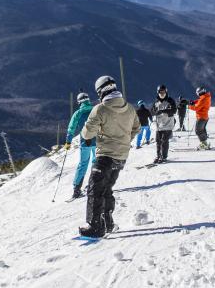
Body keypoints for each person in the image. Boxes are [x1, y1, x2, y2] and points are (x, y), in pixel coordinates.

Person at [78, 75, 140, 238]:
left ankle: (95, 226)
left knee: (95, 189)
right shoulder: (130, 108)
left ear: (100, 91)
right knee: (106, 188)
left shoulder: (100, 109)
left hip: (105, 155)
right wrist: (124, 140)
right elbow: (136, 128)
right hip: (121, 156)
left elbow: (87, 134)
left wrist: (88, 129)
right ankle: (108, 223)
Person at [65, 92, 96, 199]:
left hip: (85, 142)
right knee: (97, 163)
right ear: (88, 99)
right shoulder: (96, 110)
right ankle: (95, 184)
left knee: (83, 164)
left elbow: (71, 128)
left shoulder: (77, 113)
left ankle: (76, 189)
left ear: (79, 102)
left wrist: (68, 142)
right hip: (98, 142)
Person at [150, 84, 177, 163]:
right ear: (158, 92)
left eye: (163, 91)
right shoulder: (156, 101)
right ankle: (158, 155)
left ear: (166, 91)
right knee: (158, 141)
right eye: (160, 92)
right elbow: (152, 111)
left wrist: (163, 111)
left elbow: (174, 110)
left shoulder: (170, 100)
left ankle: (164, 156)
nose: (162, 93)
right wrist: (155, 112)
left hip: (168, 124)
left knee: (164, 140)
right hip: (159, 125)